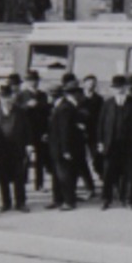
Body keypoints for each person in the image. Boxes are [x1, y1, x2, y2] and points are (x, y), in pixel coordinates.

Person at [98, 75, 132, 209]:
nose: (119, 90)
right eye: (116, 88)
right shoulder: (108, 103)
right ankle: (107, 199)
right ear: (113, 89)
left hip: (129, 145)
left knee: (129, 173)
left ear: (126, 88)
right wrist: (100, 142)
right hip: (111, 144)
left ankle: (127, 199)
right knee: (108, 173)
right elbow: (100, 124)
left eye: (121, 87)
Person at [0, 82, 29, 212]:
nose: (7, 99)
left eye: (9, 96)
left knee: (19, 176)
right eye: (4, 97)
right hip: (1, 150)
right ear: (0, 97)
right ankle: (6, 203)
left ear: (12, 97)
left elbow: (28, 129)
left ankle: (21, 202)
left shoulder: (20, 111)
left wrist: (29, 145)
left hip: (17, 149)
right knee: (3, 177)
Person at [47, 77, 83, 210]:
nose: (49, 98)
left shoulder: (64, 108)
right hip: (56, 146)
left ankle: (69, 201)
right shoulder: (60, 107)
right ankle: (58, 199)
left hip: (62, 148)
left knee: (64, 175)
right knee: (57, 175)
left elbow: (65, 130)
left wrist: (66, 150)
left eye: (51, 95)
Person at [17, 69, 49, 192]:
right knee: (25, 157)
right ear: (26, 82)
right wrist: (27, 106)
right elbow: (17, 112)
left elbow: (46, 113)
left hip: (40, 130)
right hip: (26, 130)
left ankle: (39, 184)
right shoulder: (21, 95)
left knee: (40, 158)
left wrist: (46, 131)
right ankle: (22, 182)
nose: (33, 83)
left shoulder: (42, 95)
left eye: (35, 80)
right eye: (30, 80)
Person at [76, 74, 104, 193]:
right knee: (80, 159)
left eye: (93, 83)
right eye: (89, 83)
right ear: (84, 84)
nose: (91, 85)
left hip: (94, 132)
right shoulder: (78, 98)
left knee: (97, 157)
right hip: (79, 132)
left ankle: (104, 179)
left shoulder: (99, 99)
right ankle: (89, 186)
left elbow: (101, 116)